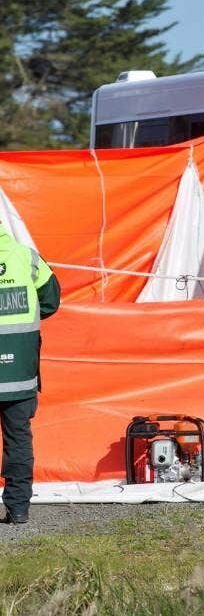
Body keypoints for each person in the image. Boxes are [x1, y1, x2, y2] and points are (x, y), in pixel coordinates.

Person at [0, 224, 60, 524]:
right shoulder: (26, 258)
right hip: (20, 372)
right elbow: (50, 302)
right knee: (18, 439)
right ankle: (18, 508)